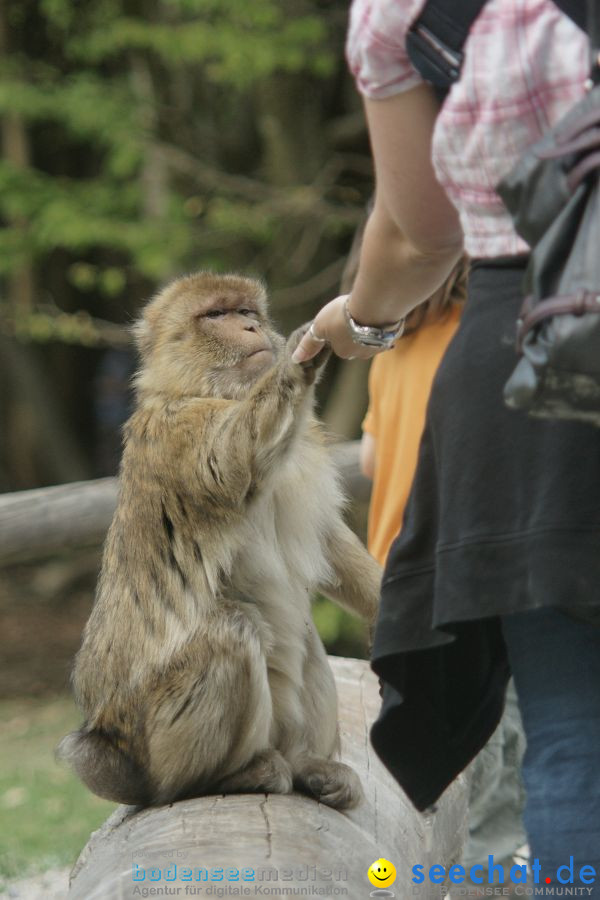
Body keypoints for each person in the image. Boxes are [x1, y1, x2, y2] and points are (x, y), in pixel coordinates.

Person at [292, 0, 600, 893]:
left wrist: (359, 320)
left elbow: (422, 232)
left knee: (576, 730)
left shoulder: (407, 10)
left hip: (538, 369)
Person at [360, 262, 527, 894]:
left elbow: (373, 460)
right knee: (496, 742)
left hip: (397, 577)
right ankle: (491, 872)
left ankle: (425, 872)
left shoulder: (389, 350)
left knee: (424, 739)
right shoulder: (487, 334)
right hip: (467, 568)